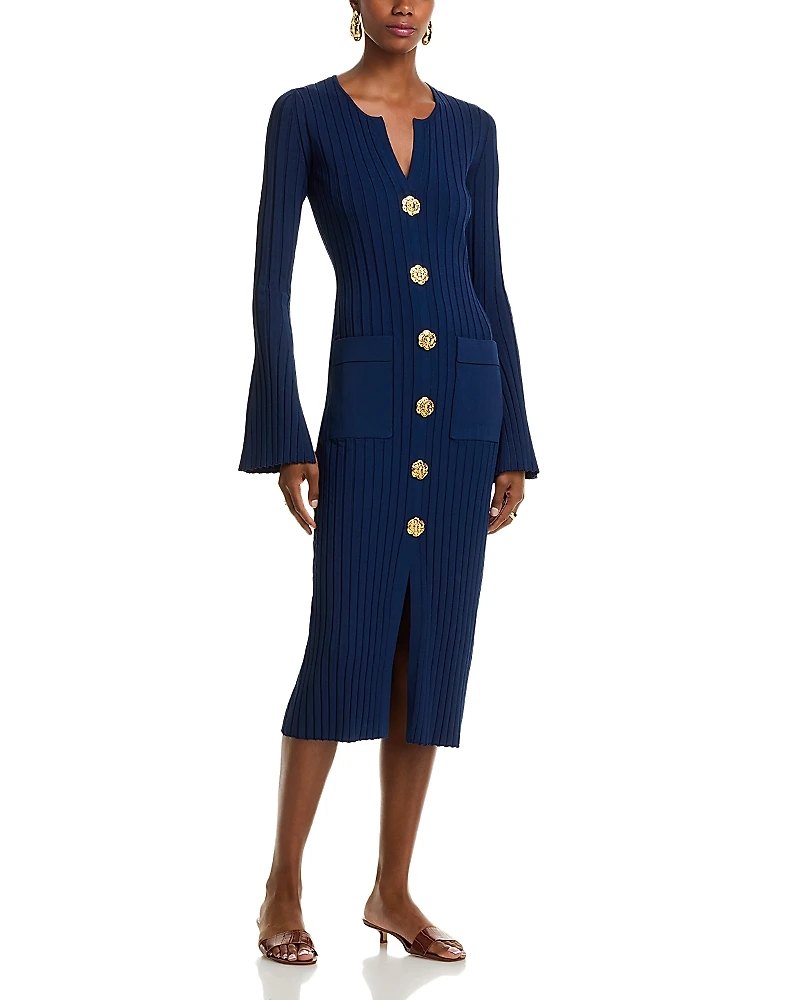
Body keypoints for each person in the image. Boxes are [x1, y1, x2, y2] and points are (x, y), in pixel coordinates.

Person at [239, 0, 539, 966]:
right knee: (342, 644)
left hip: (465, 412)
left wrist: (515, 438)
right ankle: (283, 888)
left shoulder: (473, 129)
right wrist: (285, 430)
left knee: (433, 653)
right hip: (365, 415)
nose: (403, 3)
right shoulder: (304, 115)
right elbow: (271, 285)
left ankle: (392, 891)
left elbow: (488, 282)